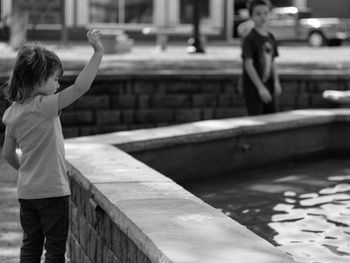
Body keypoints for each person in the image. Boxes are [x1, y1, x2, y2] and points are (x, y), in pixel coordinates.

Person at [1, 29, 104, 263]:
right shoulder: (45, 106)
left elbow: (7, 153)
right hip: (53, 192)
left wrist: (26, 171)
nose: (58, 85)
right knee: (55, 250)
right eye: (55, 79)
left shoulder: (11, 113)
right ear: (38, 79)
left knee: (30, 246)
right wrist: (97, 52)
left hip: (27, 193)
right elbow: (80, 87)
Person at [241, 0, 282, 115]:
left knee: (273, 118)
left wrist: (276, 82)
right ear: (251, 16)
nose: (262, 17)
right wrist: (260, 88)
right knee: (257, 120)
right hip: (254, 89)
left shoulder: (270, 37)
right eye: (258, 14)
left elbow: (273, 61)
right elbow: (248, 64)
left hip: (269, 86)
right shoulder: (249, 39)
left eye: (265, 13)